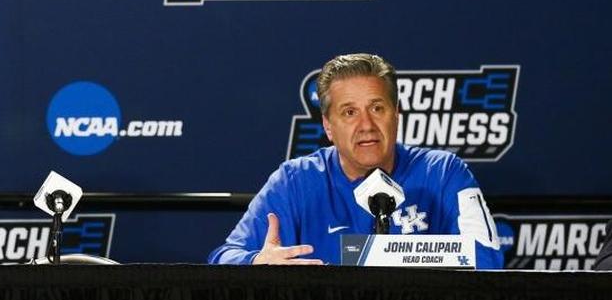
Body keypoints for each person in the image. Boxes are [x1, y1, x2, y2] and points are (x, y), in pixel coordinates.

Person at [208, 53, 504, 268]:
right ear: (328, 126)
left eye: (377, 108)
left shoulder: (443, 172)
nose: (366, 125)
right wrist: (258, 261)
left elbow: (488, 259)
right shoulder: (294, 181)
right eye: (349, 112)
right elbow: (223, 258)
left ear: (396, 114)